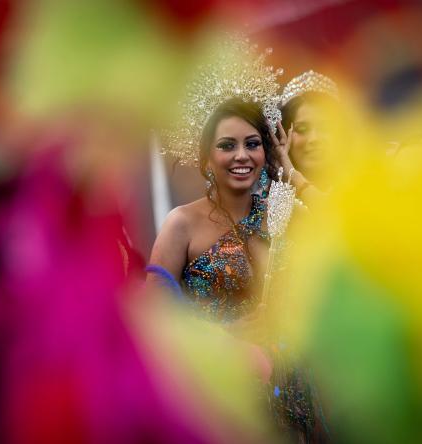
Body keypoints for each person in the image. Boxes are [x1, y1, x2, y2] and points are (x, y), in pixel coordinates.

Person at [147, 37, 327, 443]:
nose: (242, 156)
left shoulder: (283, 212)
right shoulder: (181, 224)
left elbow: (340, 232)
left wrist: (289, 168)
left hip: (293, 398)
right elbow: (155, 315)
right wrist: (220, 340)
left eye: (253, 144)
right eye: (227, 146)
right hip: (222, 398)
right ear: (206, 157)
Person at [278, 70, 341, 198]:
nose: (314, 139)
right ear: (283, 134)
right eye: (302, 129)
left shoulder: (367, 190)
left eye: (325, 128)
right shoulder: (266, 200)